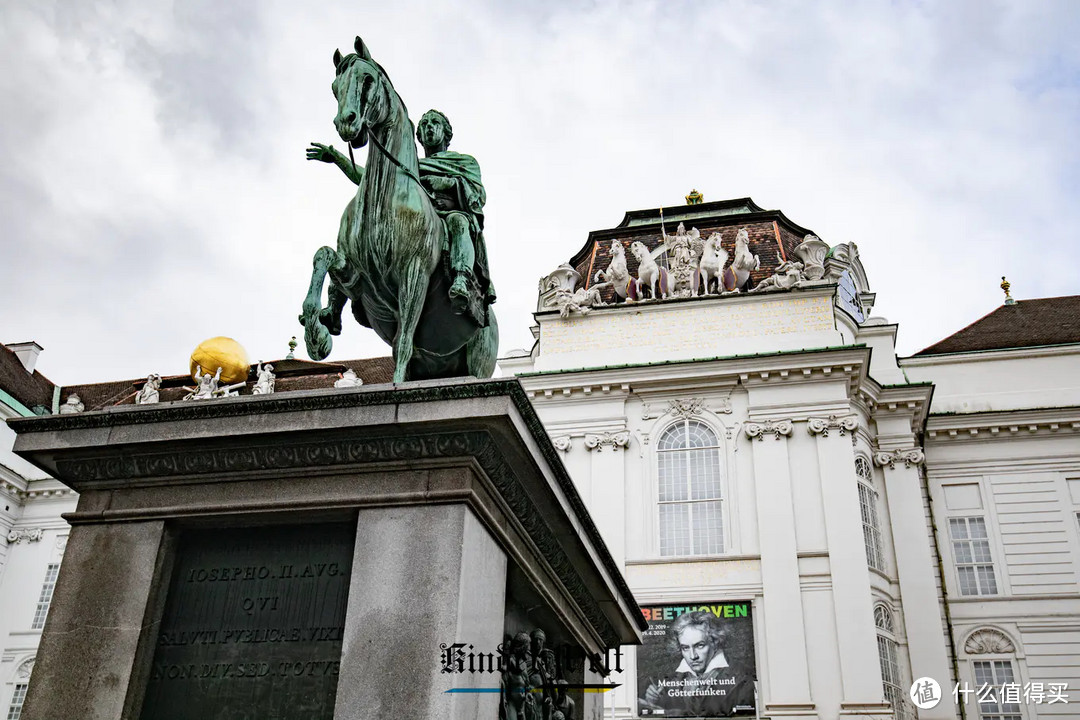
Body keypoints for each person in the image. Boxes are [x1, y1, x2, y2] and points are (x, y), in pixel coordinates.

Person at [307, 109, 495, 323]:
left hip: (445, 215)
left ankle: (461, 279)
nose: (429, 127)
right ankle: (336, 306)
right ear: (420, 137)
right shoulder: (408, 164)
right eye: (424, 125)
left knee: (458, 222)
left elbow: (478, 195)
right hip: (411, 222)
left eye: (435, 123)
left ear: (446, 133)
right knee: (362, 234)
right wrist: (338, 159)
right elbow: (367, 180)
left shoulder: (464, 162)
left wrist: (450, 183)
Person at [641, 611, 755, 717]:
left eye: (700, 645)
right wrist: (653, 702)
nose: (693, 656)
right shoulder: (669, 681)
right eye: (685, 648)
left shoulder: (743, 679)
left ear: (715, 642)